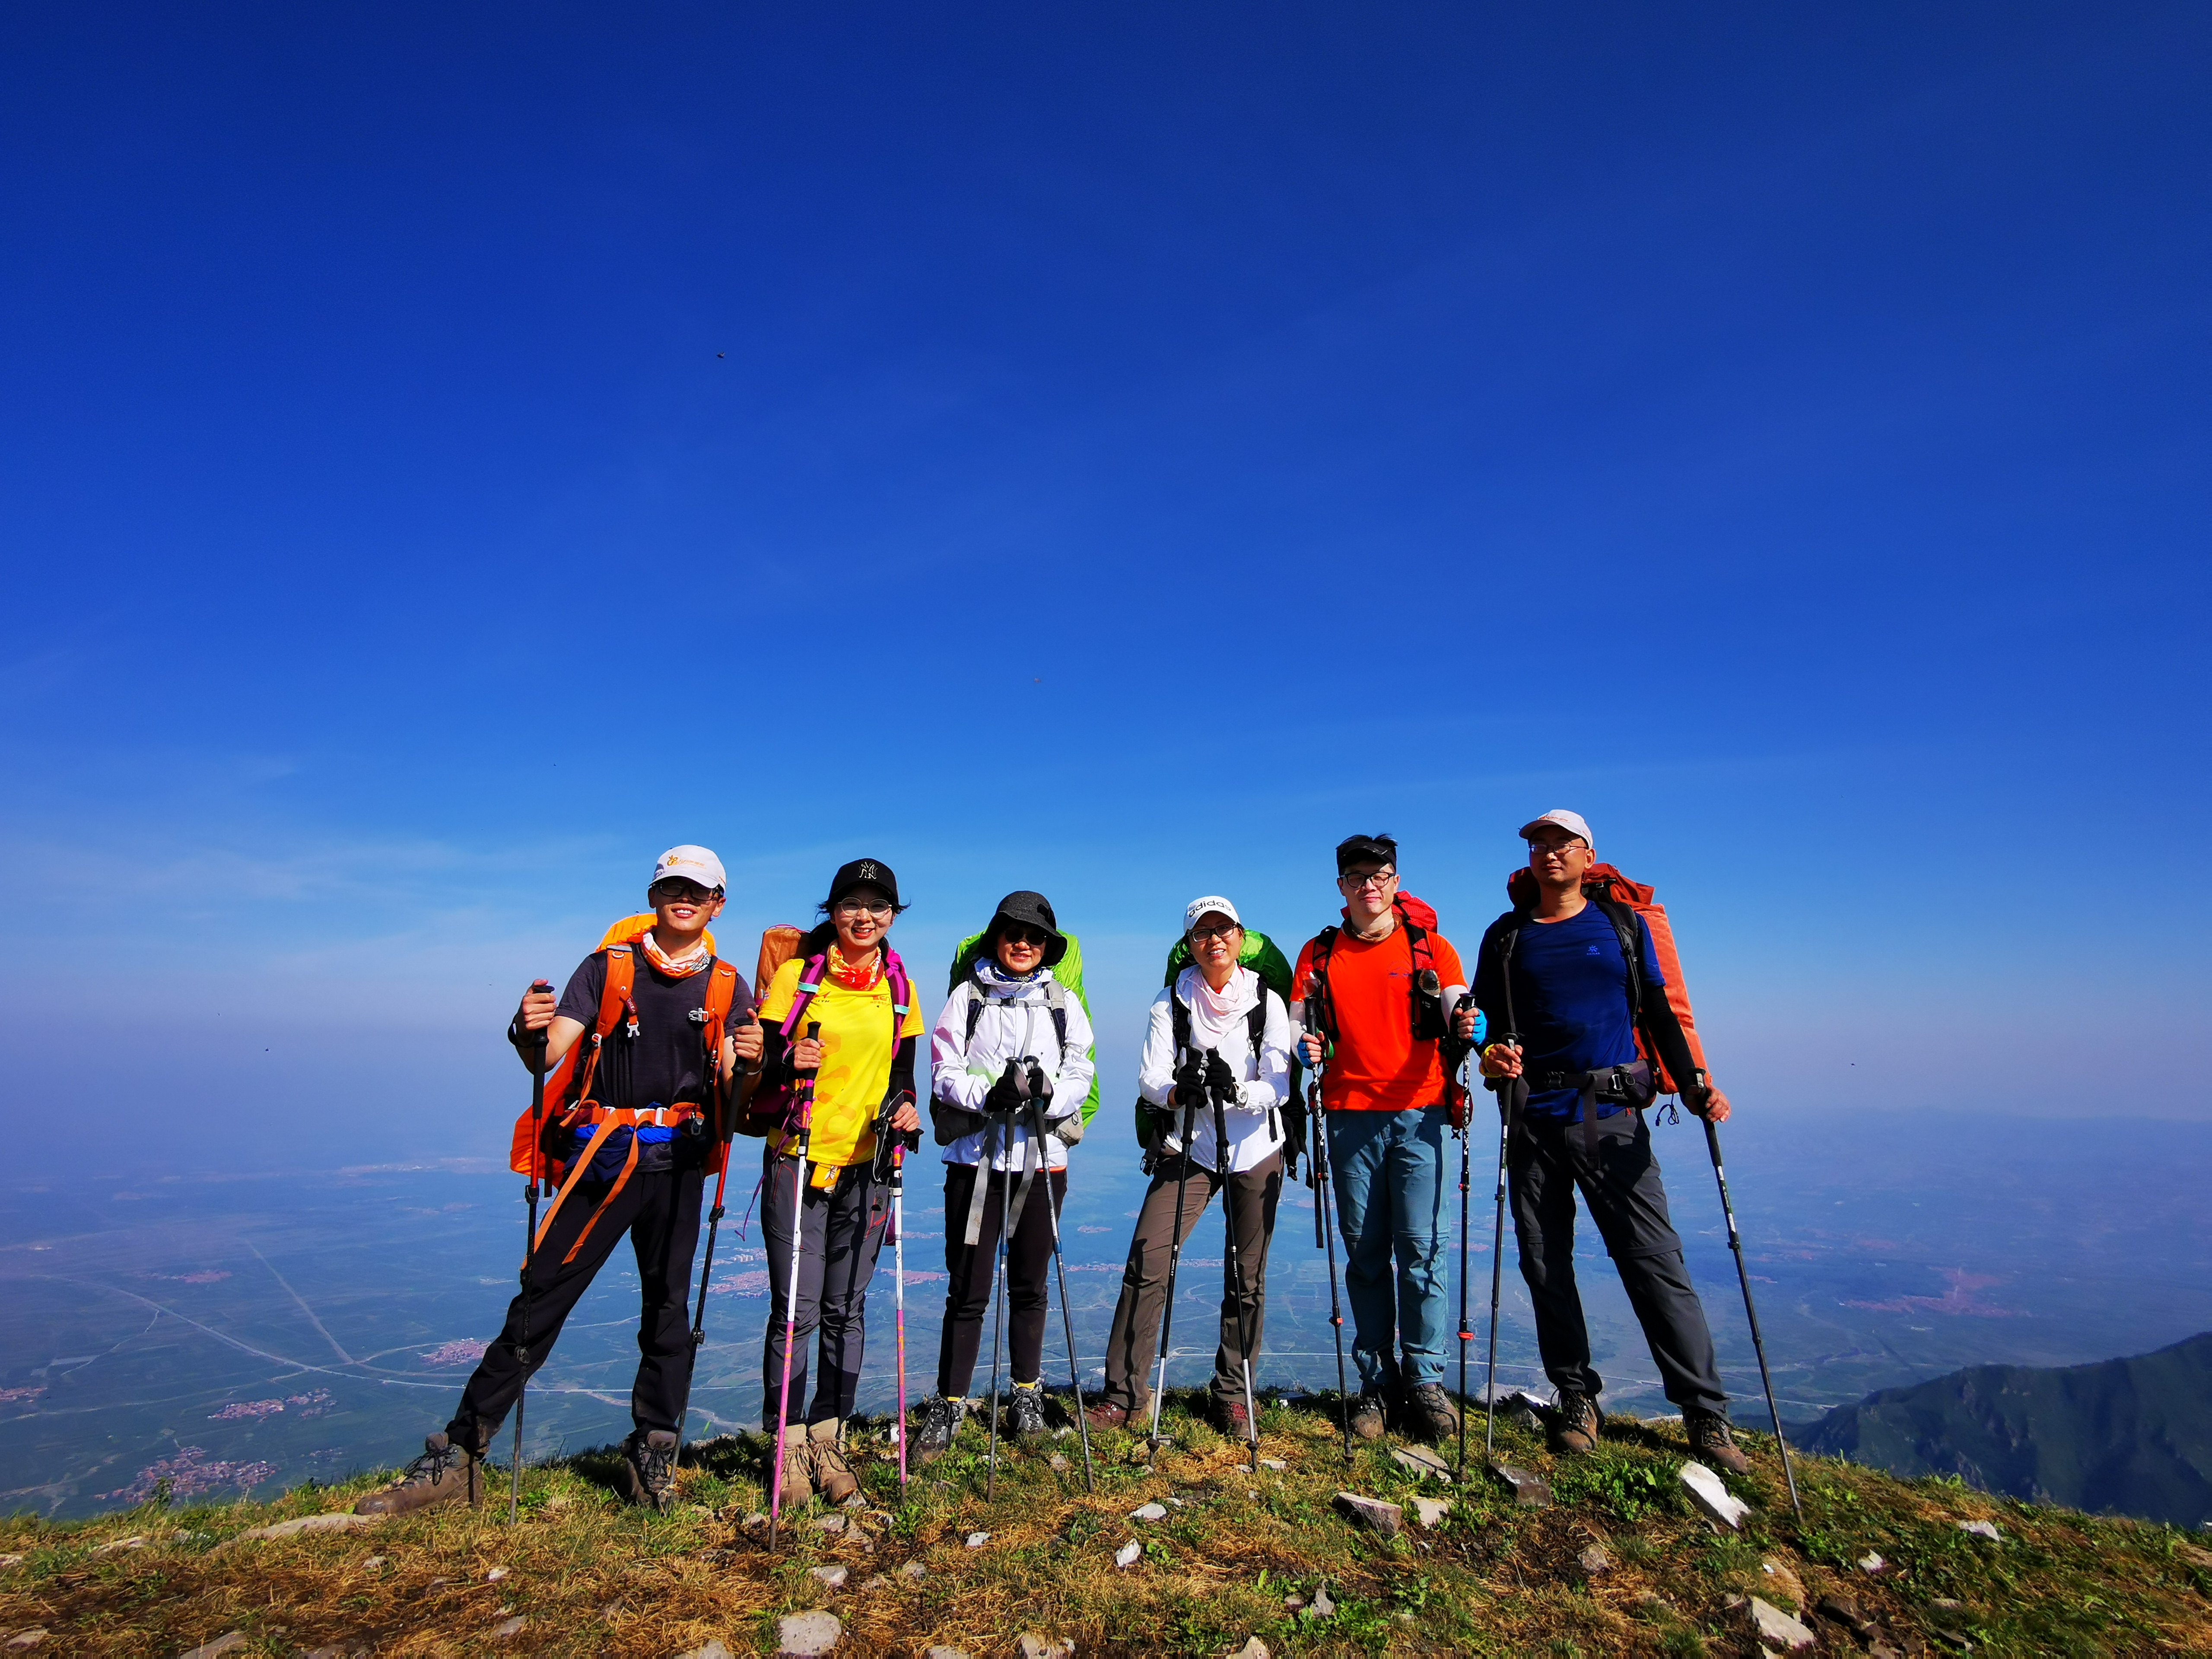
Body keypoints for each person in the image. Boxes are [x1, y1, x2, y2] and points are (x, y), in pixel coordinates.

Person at [355, 846, 762, 1516]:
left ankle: (653, 1448)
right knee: (541, 1297)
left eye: (699, 891)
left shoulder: (725, 985)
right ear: (654, 896)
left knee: (669, 1311)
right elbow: (545, 1056)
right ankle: (462, 1451)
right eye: (673, 887)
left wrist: (753, 1059)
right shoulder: (608, 968)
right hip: (603, 1161)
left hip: (679, 1166)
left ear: (718, 905)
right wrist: (526, 1029)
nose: (684, 899)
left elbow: (731, 1084)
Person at [1471, 810, 1751, 1474]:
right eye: (1538, 844)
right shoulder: (1506, 936)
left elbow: (1658, 1010)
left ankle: (1704, 1413)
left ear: (1588, 855)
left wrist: (1694, 1084)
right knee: (1546, 1263)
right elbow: (1487, 1021)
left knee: (1652, 1259)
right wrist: (1488, 1054)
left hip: (1612, 1113)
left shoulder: (1621, 925)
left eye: (1562, 843)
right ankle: (1576, 1398)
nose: (1549, 852)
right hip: (1534, 1115)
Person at [1292, 833, 1481, 1443]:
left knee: (1423, 1250)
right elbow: (1296, 1025)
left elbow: (1457, 1007)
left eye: (1380, 876)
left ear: (1395, 882)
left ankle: (1424, 1382)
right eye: (1357, 877)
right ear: (1341, 886)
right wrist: (1303, 1046)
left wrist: (1470, 1024)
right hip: (1349, 1115)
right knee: (1366, 1253)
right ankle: (1378, 1383)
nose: (1369, 885)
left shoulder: (1431, 948)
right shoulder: (1318, 954)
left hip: (1421, 1114)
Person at [752, 858, 926, 1506]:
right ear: (832, 912)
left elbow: (902, 1076)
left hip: (869, 1165)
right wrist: (786, 1057)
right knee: (795, 1311)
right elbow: (759, 1062)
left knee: (845, 1309)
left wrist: (906, 1110)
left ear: (892, 917)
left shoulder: (900, 987)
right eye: (852, 904)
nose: (865, 917)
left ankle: (829, 1437)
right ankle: (788, 1445)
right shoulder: (798, 978)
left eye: (878, 907)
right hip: (797, 1158)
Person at [1089, 896, 1294, 1438]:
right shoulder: (1171, 1001)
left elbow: (1278, 1083)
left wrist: (1238, 1091)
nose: (1214, 940)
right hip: (1188, 1145)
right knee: (1147, 1260)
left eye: (1223, 929)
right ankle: (1124, 1397)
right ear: (1189, 944)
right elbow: (1150, 1078)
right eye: (1202, 933)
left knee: (1246, 1275)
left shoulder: (1267, 1001)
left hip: (1255, 1147)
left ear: (1240, 936)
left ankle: (1233, 1394)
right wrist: (1180, 1092)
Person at [912, 891, 1096, 1461]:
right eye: (1013, 933)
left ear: (1047, 946)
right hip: (976, 1161)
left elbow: (1081, 1070)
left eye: (1034, 937)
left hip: (1042, 1160)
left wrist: (1049, 1094)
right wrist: (987, 1094)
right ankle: (950, 1403)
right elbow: (942, 1069)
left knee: (1030, 1286)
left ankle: (1025, 1396)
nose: (1022, 944)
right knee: (968, 1288)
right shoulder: (968, 996)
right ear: (996, 938)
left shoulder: (1062, 1001)